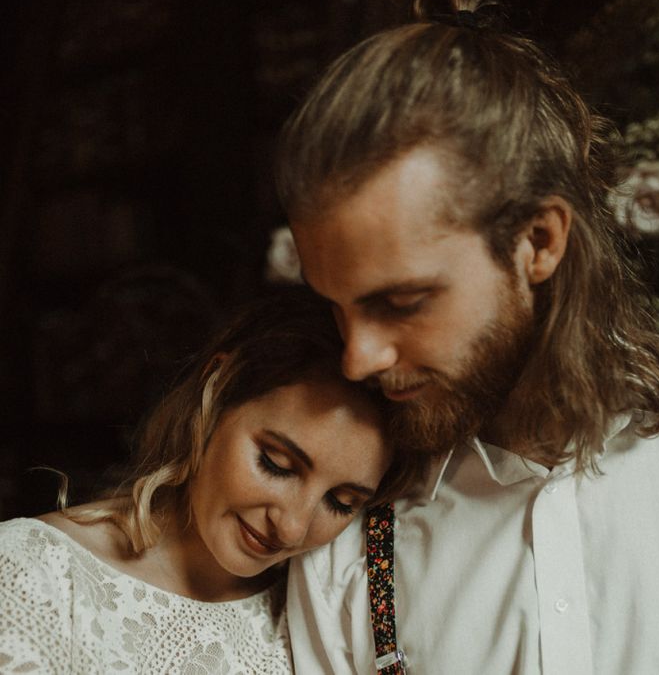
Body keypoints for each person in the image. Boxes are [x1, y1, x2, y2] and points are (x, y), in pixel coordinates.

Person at [275, 0, 659, 673]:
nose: (357, 358)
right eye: (338, 306)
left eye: (403, 302)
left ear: (538, 242)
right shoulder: (344, 535)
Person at [0, 286, 422, 673]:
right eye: (276, 463)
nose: (292, 527)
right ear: (218, 389)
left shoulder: (327, 617)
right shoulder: (31, 574)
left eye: (341, 501)